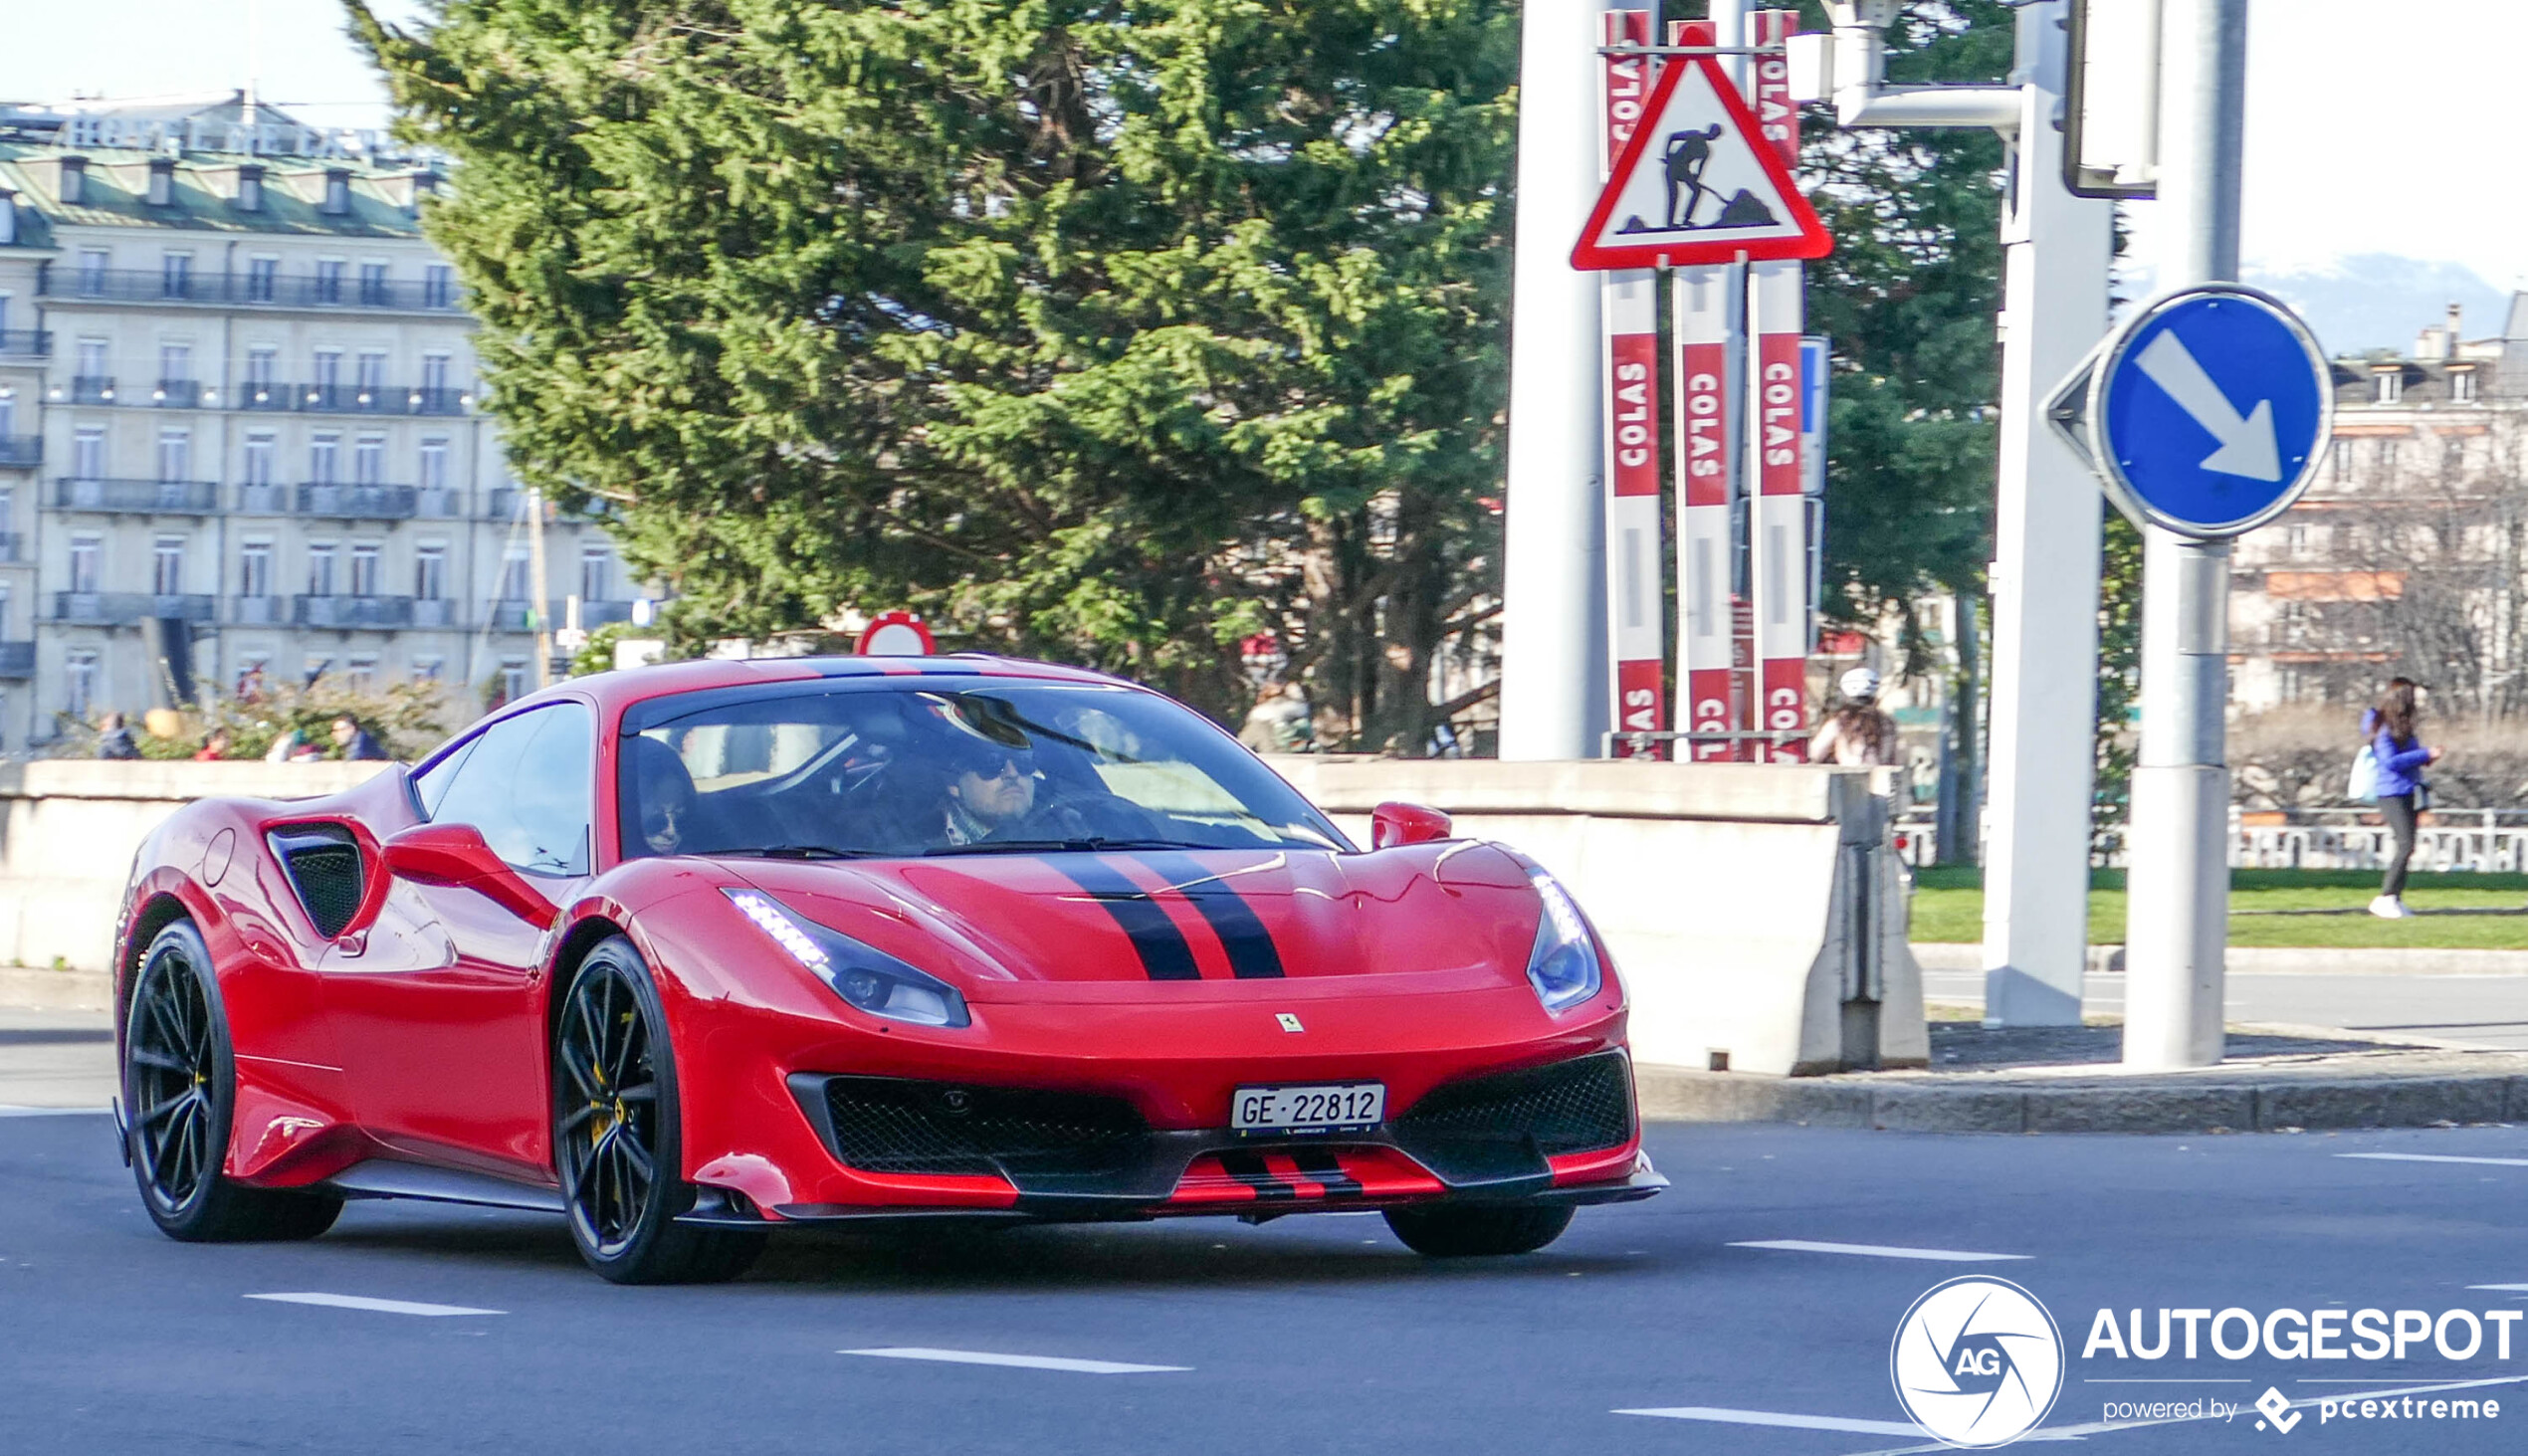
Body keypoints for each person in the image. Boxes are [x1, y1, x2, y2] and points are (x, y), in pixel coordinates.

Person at [2362, 678, 2440, 920]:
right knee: (2405, 844)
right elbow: (2391, 762)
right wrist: (2424, 754)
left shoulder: (2401, 727)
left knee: (2408, 845)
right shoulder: (2385, 729)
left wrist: (2424, 758)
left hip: (2406, 790)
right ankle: (2385, 897)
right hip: (2391, 792)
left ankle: (2394, 897)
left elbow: (2404, 757)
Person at [940, 737, 1038, 846]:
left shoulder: (1056, 835)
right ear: (953, 784)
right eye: (991, 763)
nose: (1012, 773)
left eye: (1023, 761)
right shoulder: (923, 849)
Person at [1808, 667, 1897, 767]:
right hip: (1878, 777)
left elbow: (1816, 752)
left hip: (1847, 777)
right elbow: (1889, 757)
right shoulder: (1886, 722)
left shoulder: (1840, 721)